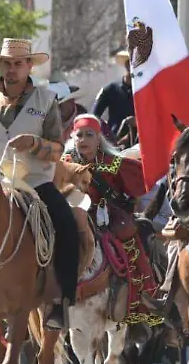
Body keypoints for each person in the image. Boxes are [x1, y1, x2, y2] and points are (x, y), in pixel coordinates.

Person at [0, 38, 81, 330]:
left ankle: (59, 300)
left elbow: (57, 149)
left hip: (35, 183)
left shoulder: (46, 100)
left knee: (66, 224)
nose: (11, 70)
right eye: (6, 64)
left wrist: (34, 143)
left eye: (17, 64)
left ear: (29, 66)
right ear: (0, 65)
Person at [61, 114, 165, 314]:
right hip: (73, 215)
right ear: (73, 138)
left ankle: (145, 299)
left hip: (106, 215)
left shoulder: (113, 162)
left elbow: (140, 179)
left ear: (98, 138)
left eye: (89, 135)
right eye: (79, 135)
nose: (83, 139)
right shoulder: (64, 162)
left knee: (128, 232)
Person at [92, 50, 135, 140]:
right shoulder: (110, 90)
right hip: (115, 142)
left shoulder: (146, 91)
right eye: (131, 63)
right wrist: (105, 136)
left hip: (141, 142)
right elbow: (94, 117)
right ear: (127, 65)